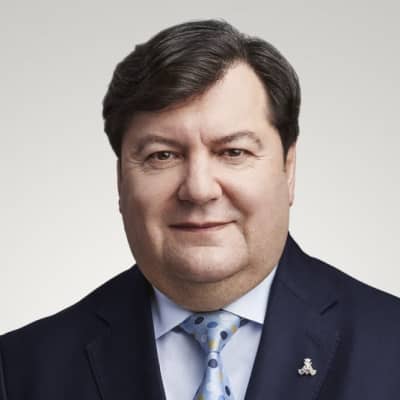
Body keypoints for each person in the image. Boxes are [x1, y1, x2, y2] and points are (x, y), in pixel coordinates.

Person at [1, 19, 399, 400]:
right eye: (162, 155)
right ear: (121, 180)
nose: (198, 189)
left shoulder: (389, 345)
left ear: (288, 169)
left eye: (233, 152)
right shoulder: (22, 370)